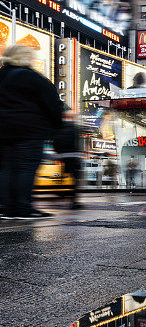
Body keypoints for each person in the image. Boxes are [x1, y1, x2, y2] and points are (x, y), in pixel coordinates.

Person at [0, 45, 63, 219]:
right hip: (30, 131)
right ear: (26, 58)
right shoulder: (34, 78)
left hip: (3, 132)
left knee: (5, 169)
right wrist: (55, 128)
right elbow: (53, 104)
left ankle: (5, 208)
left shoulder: (1, 75)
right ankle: (23, 209)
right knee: (26, 168)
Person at [53, 116, 84, 209]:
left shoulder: (60, 128)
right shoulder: (75, 128)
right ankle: (74, 201)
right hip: (74, 155)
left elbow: (54, 142)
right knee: (75, 179)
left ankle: (61, 193)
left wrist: (59, 153)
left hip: (64, 156)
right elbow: (79, 142)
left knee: (64, 176)